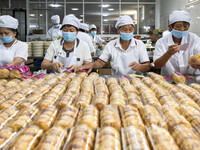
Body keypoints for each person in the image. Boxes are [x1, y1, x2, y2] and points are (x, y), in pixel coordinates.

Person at [75, 15, 150, 75]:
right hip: (116, 81)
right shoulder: (111, 45)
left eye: (130, 29)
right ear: (118, 30)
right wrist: (87, 66)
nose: (127, 32)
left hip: (136, 80)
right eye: (124, 29)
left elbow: (147, 66)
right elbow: (100, 63)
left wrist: (140, 66)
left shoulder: (140, 44)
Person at [153, 10, 200, 75]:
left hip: (191, 78)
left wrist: (197, 65)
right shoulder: (161, 42)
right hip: (169, 79)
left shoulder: (194, 39)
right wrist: (168, 53)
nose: (182, 29)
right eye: (178, 26)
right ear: (170, 26)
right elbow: (157, 65)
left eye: (185, 26)